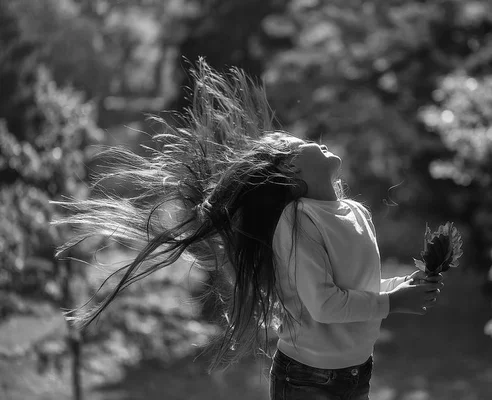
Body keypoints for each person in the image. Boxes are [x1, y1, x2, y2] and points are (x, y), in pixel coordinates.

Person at [55, 59, 443, 400]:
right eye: (302, 145)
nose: (315, 143)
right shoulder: (296, 221)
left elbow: (357, 292)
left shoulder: (356, 213)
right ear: (291, 172)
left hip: (358, 370)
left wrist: (401, 288)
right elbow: (325, 305)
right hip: (310, 378)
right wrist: (393, 303)